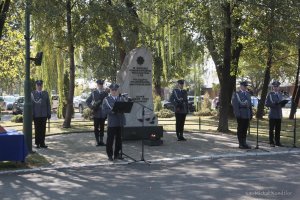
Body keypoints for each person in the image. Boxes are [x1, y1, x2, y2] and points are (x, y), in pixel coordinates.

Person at [102, 83, 126, 161]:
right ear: (110, 90)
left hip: (120, 121)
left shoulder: (121, 98)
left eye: (116, 90)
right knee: (110, 139)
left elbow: (126, 108)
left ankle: (117, 154)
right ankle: (110, 155)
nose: (114, 91)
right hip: (112, 122)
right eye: (113, 90)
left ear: (117, 90)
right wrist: (113, 112)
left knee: (119, 139)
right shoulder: (106, 99)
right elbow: (104, 110)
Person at [86, 79, 108, 146]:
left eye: (101, 85)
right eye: (99, 85)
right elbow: (87, 101)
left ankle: (101, 141)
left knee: (102, 127)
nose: (100, 86)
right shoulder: (93, 93)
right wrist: (92, 107)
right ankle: (97, 141)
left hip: (103, 113)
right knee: (96, 127)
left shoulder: (105, 93)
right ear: (97, 85)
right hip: (96, 112)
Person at [232, 81, 252, 149]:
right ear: (241, 86)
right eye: (244, 86)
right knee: (240, 129)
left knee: (245, 129)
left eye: (246, 86)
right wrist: (237, 114)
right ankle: (240, 143)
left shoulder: (248, 94)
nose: (245, 87)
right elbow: (235, 105)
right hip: (241, 113)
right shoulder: (237, 94)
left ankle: (244, 142)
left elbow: (250, 105)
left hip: (247, 114)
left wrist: (251, 113)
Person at [31, 80, 51, 148]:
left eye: (40, 85)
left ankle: (42, 143)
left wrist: (49, 113)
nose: (39, 87)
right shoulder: (33, 93)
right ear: (36, 86)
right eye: (38, 85)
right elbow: (32, 105)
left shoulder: (45, 93)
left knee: (43, 129)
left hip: (44, 115)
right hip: (36, 115)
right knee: (37, 129)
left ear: (42, 86)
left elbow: (48, 104)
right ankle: (37, 143)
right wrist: (32, 114)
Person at [265, 80, 283, 147]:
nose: (276, 88)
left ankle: (277, 142)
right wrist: (274, 104)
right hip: (272, 114)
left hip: (279, 114)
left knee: (278, 129)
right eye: (274, 86)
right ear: (273, 87)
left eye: (277, 86)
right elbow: (266, 104)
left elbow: (281, 103)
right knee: (271, 129)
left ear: (279, 87)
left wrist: (283, 104)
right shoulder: (270, 94)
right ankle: (271, 142)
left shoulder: (280, 94)